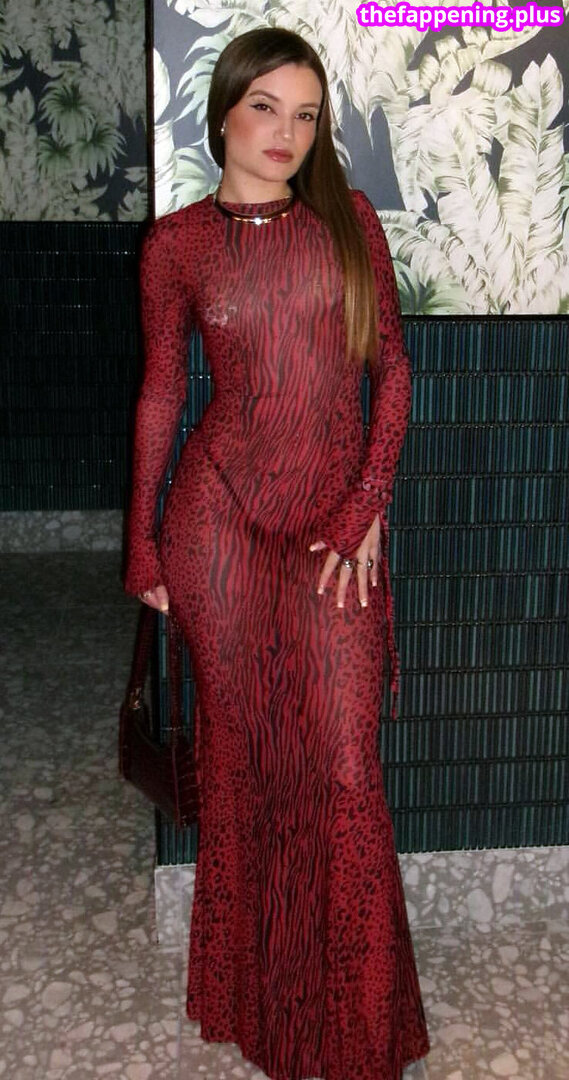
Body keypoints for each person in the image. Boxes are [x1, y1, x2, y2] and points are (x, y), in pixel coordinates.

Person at [124, 24, 429, 1080]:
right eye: (265, 108)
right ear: (223, 115)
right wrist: (142, 548)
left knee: (341, 764)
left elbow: (391, 370)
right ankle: (256, 1008)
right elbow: (161, 395)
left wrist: (364, 507)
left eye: (305, 114)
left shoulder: (349, 222)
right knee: (245, 767)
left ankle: (350, 1030)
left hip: (333, 535)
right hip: (215, 530)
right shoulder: (175, 246)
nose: (284, 133)